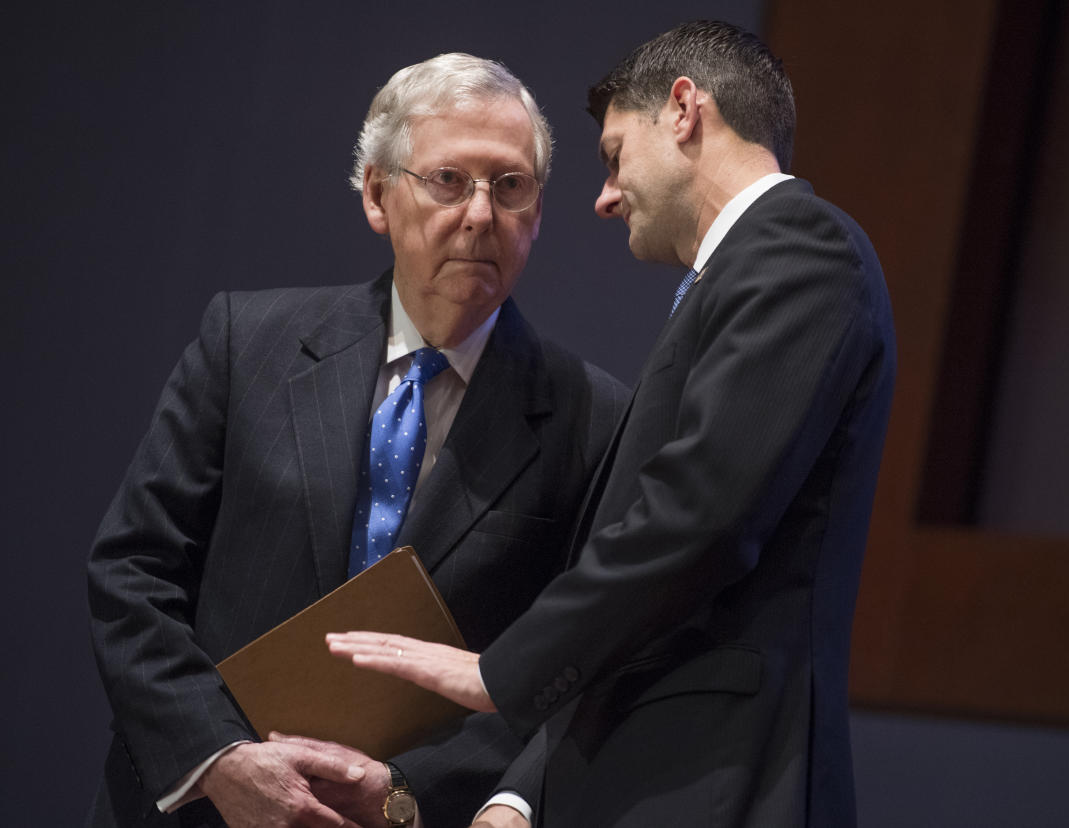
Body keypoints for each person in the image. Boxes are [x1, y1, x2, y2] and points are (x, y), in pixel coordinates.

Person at [329, 20, 897, 828]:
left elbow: (697, 515)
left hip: (717, 779)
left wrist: (501, 673)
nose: (603, 196)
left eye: (613, 155)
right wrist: (526, 795)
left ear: (683, 110)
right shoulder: (746, 272)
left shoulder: (800, 247)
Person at [86, 53, 628, 828]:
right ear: (378, 194)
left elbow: (572, 670)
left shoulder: (591, 417)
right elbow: (130, 571)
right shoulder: (249, 343)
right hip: (200, 804)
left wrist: (404, 791)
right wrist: (221, 758)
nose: (480, 214)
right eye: (448, 180)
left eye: (510, 186)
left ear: (538, 213)